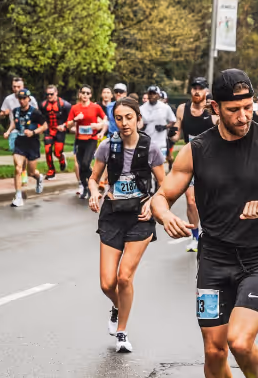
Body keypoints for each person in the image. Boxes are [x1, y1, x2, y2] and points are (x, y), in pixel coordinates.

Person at [151, 68, 258, 378]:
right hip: (214, 259)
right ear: (215, 108)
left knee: (240, 342)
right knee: (213, 352)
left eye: (248, 107)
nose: (244, 116)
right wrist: (166, 216)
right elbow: (160, 197)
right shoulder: (196, 150)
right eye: (234, 110)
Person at [88, 97, 165, 353]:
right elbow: (94, 178)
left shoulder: (151, 149)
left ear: (138, 119)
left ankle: (122, 331)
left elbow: (166, 187)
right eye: (119, 118)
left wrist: (152, 202)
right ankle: (119, 305)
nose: (124, 123)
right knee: (107, 283)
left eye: (129, 117)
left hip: (139, 218)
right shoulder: (107, 147)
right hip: (112, 214)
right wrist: (94, 192)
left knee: (124, 277)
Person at [171, 77, 218, 252]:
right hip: (189, 161)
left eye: (201, 88)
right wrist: (171, 133)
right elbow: (176, 134)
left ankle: (212, 232)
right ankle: (195, 237)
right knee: (191, 201)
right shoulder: (183, 109)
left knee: (210, 200)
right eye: (194, 88)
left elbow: (221, 130)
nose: (197, 91)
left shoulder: (212, 109)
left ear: (206, 91)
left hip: (211, 162)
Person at [59, 85, 105, 199]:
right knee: (81, 166)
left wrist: (98, 126)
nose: (85, 95)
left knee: (85, 163)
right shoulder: (75, 108)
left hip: (91, 139)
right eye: (83, 92)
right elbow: (68, 124)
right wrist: (76, 119)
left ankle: (92, 184)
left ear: (90, 95)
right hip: (79, 139)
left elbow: (105, 120)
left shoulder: (96, 107)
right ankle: (86, 186)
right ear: (79, 94)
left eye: (87, 93)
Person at [3, 89, 47, 207]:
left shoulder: (35, 112)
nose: (22, 101)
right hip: (20, 142)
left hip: (32, 144)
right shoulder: (16, 111)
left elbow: (45, 126)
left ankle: (39, 178)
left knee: (32, 172)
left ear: (29, 99)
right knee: (18, 168)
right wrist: (8, 131)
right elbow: (14, 122)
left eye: (24, 98)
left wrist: (33, 132)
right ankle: (18, 197)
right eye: (20, 99)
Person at [0, 77, 38, 185]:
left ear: (23, 86)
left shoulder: (31, 99)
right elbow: (1, 114)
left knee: (24, 153)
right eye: (14, 87)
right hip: (14, 130)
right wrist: (4, 114)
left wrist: (34, 130)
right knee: (15, 152)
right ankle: (19, 168)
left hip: (27, 130)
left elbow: (37, 114)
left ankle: (23, 171)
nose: (16, 89)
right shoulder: (8, 99)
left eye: (19, 87)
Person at [39, 85, 71, 180]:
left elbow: (71, 119)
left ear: (56, 93)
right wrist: (40, 127)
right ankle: (51, 171)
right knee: (47, 150)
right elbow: (39, 117)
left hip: (60, 130)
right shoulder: (43, 105)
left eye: (51, 94)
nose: (49, 96)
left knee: (57, 152)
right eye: (47, 94)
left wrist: (64, 125)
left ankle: (61, 159)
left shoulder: (65, 105)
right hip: (48, 129)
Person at [140, 85, 176, 160]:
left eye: (154, 93)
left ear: (158, 95)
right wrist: (142, 127)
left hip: (161, 142)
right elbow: (137, 123)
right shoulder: (142, 108)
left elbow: (173, 120)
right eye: (150, 93)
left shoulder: (165, 108)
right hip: (147, 142)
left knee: (160, 164)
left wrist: (164, 127)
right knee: (148, 165)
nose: (151, 96)